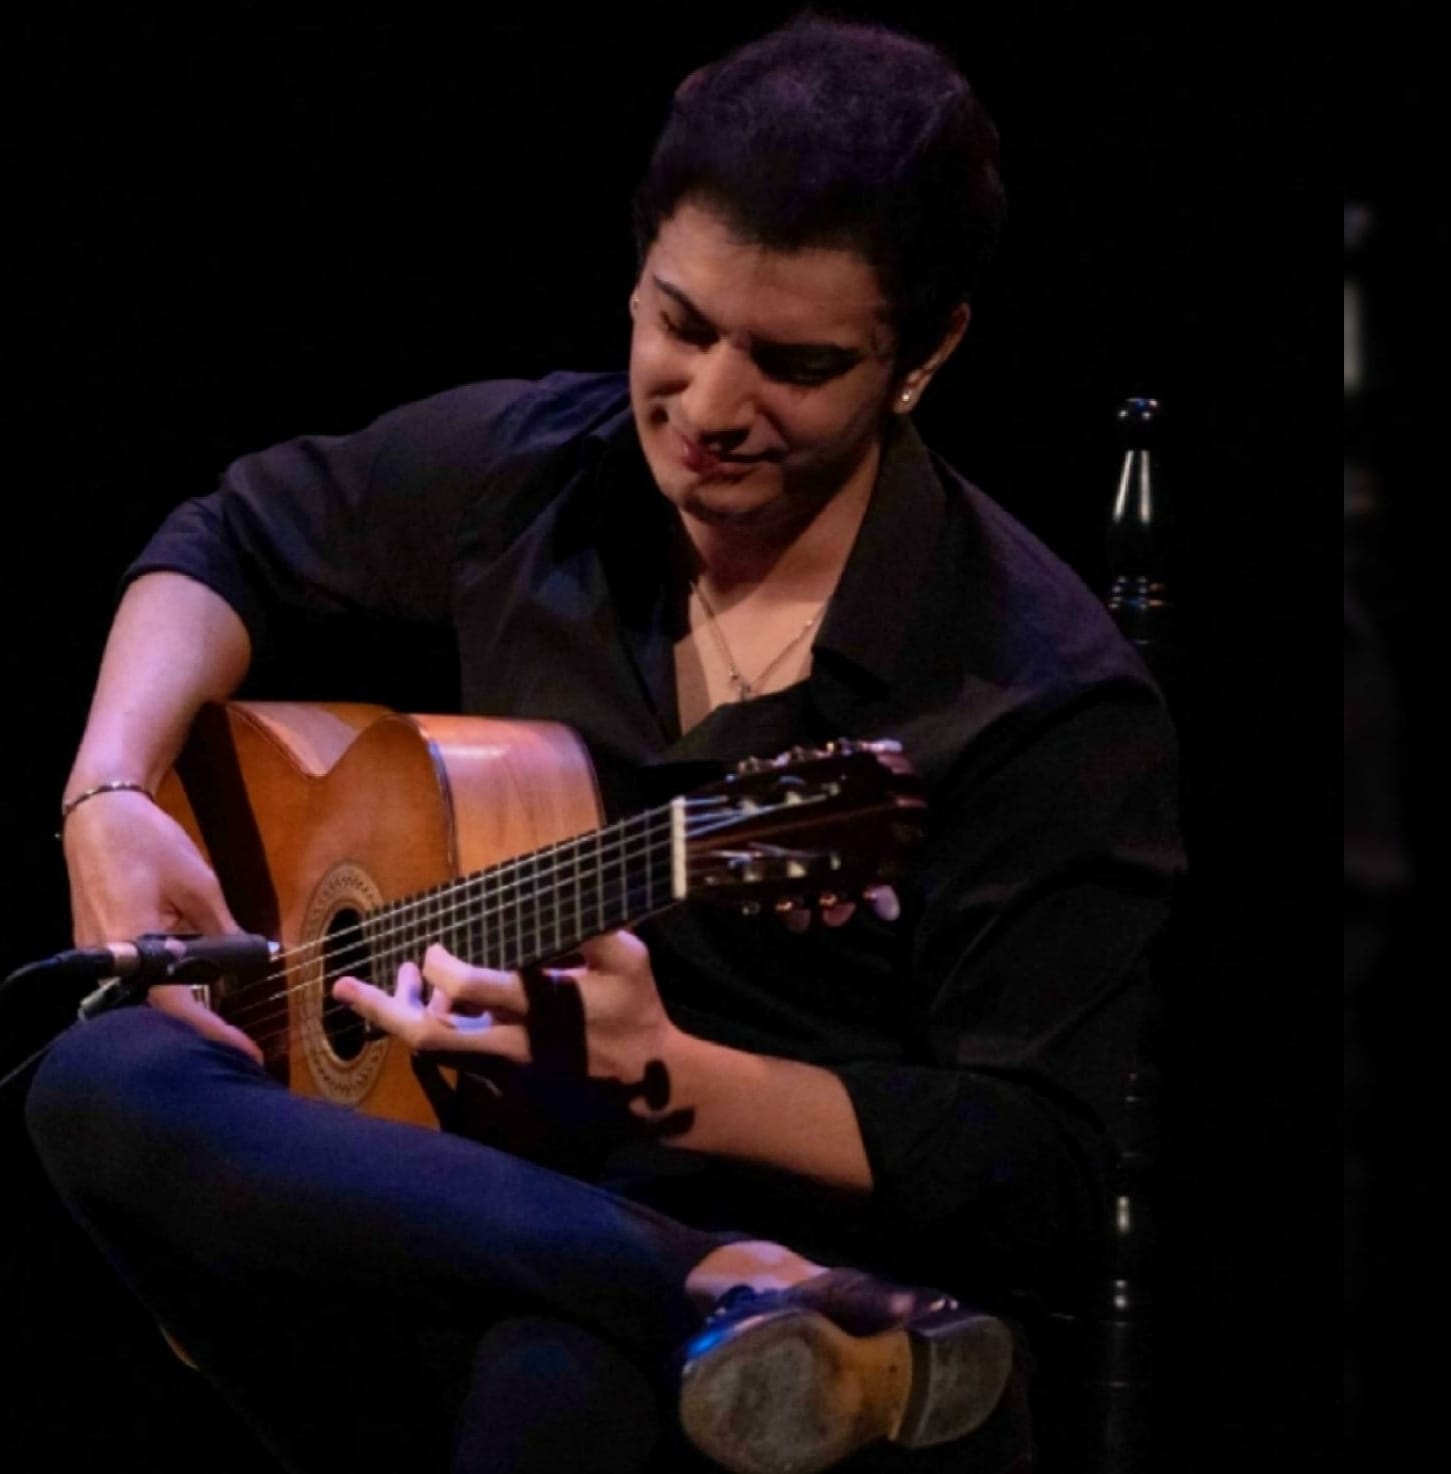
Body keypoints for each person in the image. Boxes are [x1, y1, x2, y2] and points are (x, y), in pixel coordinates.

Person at [26, 16, 1180, 1474]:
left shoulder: (1035, 693)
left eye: (795, 363)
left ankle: (727, 1293)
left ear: (926, 352)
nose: (707, 410)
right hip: (482, 1211)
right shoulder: (536, 477)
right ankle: (689, 1278)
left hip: (856, 1336)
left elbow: (1044, 1173)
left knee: (559, 1385)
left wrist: (679, 1075)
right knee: (97, 1078)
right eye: (680, 325)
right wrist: (109, 790)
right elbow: (232, 533)